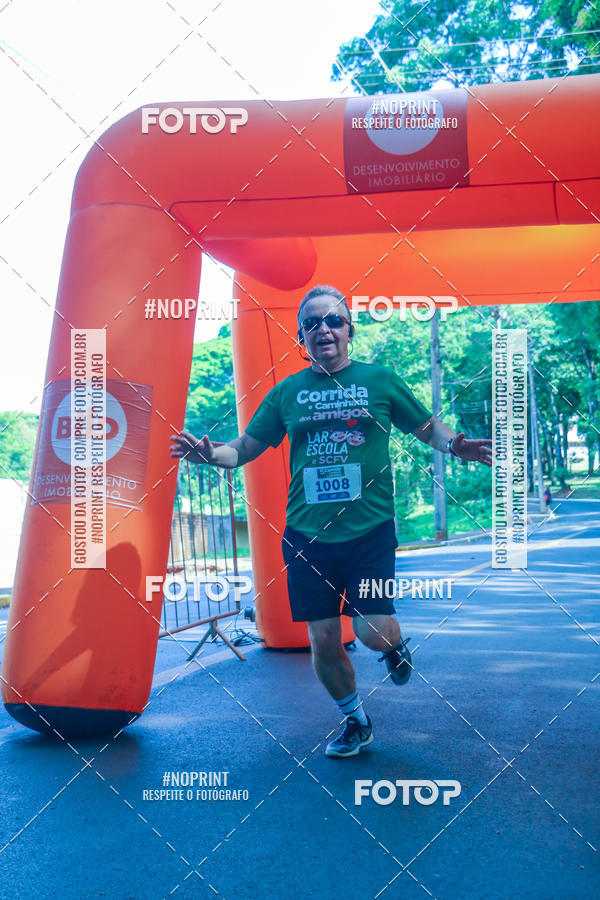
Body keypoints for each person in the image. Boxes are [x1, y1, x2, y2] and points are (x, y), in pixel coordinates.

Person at [170, 286, 492, 758]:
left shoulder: (380, 380)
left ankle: (394, 647)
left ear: (349, 330)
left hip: (369, 531)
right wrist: (210, 455)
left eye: (333, 320)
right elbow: (243, 449)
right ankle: (356, 721)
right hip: (307, 536)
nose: (323, 329)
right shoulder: (287, 393)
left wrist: (455, 445)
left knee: (370, 630)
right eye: (312, 323)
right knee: (322, 638)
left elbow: (425, 427)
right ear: (301, 337)